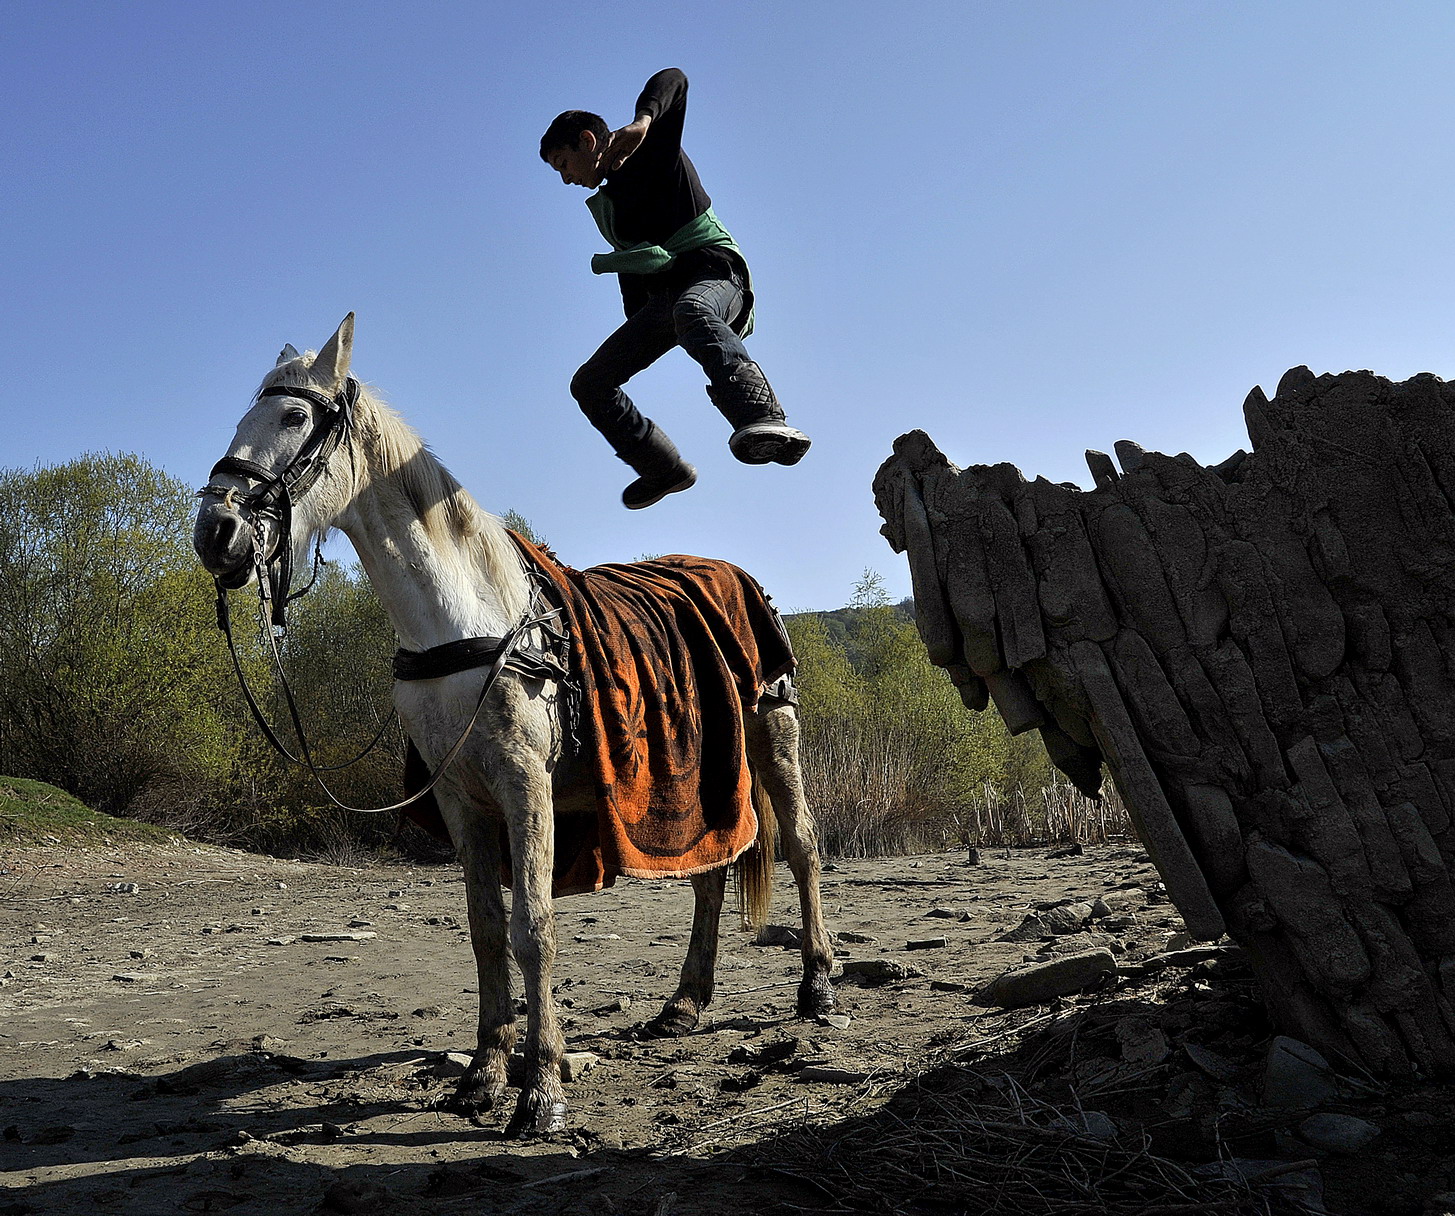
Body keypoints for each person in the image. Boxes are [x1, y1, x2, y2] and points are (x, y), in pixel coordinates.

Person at [541, 67, 811, 509]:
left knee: (692, 310)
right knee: (590, 383)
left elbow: (675, 79)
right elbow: (639, 267)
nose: (566, 179)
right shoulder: (613, 206)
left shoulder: (652, 152)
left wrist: (644, 120)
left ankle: (763, 417)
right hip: (670, 302)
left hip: (718, 274)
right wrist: (638, 335)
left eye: (563, 165)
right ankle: (661, 467)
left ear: (587, 142)